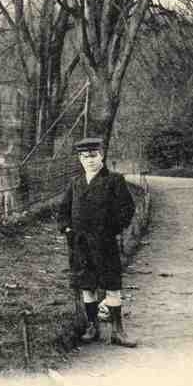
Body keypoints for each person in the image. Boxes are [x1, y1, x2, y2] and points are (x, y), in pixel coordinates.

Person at [59, 137, 137, 347]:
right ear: (80, 159)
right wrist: (67, 229)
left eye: (93, 156)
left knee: (112, 284)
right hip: (80, 244)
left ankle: (117, 331)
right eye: (85, 157)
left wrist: (112, 229)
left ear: (101, 156)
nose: (90, 160)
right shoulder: (75, 183)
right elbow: (63, 210)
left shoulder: (114, 180)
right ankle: (93, 327)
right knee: (87, 285)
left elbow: (127, 209)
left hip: (104, 243)